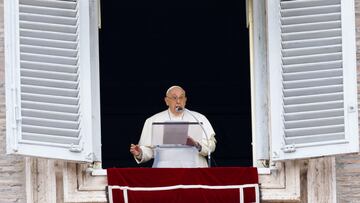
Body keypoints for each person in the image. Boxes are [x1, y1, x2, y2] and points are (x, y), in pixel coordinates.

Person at [129, 85, 216, 167]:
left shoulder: (199, 118)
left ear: (185, 100)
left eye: (181, 98)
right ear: (166, 101)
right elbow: (150, 150)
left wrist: (196, 144)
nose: (178, 101)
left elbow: (210, 147)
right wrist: (140, 153)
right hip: (166, 172)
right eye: (174, 98)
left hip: (195, 169)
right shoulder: (153, 120)